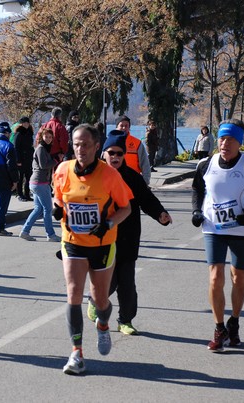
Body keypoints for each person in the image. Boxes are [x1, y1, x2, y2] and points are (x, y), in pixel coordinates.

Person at [52, 124, 132, 375]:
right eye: (76, 144)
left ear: (97, 147)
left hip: (102, 244)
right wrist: (57, 208)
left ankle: (104, 325)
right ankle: (76, 353)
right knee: (73, 293)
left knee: (100, 300)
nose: (80, 149)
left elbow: (125, 208)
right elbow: (57, 195)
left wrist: (107, 223)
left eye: (85, 144)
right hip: (73, 241)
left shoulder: (109, 175)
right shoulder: (63, 169)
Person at [87, 130, 172, 335]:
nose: (115, 157)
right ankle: (95, 300)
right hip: (102, 238)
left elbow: (147, 199)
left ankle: (125, 320)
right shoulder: (93, 175)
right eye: (111, 153)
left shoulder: (133, 178)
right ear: (103, 153)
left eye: (119, 153)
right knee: (109, 281)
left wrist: (160, 213)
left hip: (127, 238)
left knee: (126, 283)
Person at [191, 119, 244, 352]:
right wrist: (197, 210)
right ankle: (219, 328)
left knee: (239, 277)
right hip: (213, 228)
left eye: (230, 139)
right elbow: (197, 188)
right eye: (222, 138)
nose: (224, 143)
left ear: (240, 142)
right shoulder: (206, 164)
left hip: (242, 229)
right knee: (215, 278)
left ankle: (234, 322)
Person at [19, 127, 60, 242]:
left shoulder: (44, 149)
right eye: (46, 136)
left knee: (38, 209)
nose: (48, 139)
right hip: (40, 183)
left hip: (37, 182)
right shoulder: (41, 149)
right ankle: (51, 235)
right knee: (47, 209)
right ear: (42, 137)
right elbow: (43, 165)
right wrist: (56, 160)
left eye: (50, 137)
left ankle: (25, 231)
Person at [115, 115, 151, 184]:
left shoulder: (137, 143)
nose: (124, 128)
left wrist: (145, 182)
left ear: (129, 127)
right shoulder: (110, 143)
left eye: (126, 126)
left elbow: (145, 164)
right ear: (116, 127)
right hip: (115, 182)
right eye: (121, 125)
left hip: (133, 182)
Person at [13, 116, 34, 201]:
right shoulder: (18, 133)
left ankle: (27, 193)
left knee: (28, 176)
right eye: (24, 123)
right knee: (20, 177)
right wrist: (18, 160)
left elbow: (30, 146)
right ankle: (20, 194)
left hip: (29, 158)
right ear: (21, 124)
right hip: (21, 158)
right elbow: (16, 147)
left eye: (27, 123)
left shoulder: (29, 133)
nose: (26, 124)